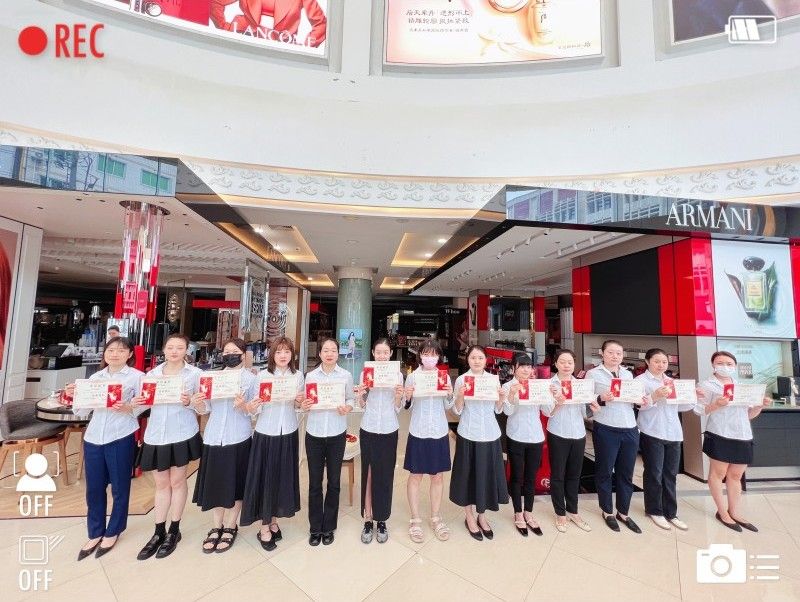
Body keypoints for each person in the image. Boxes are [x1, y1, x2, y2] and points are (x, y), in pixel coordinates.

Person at [62, 336, 144, 560]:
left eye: (121, 350)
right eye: (111, 350)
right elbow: (81, 411)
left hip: (121, 435)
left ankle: (114, 530)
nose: (115, 354)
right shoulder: (94, 378)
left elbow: (144, 403)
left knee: (120, 486)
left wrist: (129, 407)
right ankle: (95, 531)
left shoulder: (137, 377)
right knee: (94, 488)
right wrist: (74, 395)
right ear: (105, 354)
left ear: (130, 354)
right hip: (94, 436)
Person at [136, 334, 204, 560]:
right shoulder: (151, 375)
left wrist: (190, 401)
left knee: (177, 481)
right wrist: (133, 404)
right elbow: (142, 406)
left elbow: (203, 406)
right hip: (156, 435)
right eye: (171, 347)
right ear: (164, 350)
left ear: (186, 350)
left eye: (180, 347)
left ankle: (174, 529)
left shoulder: (194, 374)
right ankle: (158, 531)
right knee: (161, 484)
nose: (174, 351)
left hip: (182, 433)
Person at [192, 338, 257, 553]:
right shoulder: (212, 378)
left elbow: (255, 410)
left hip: (239, 436)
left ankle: (230, 524)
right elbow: (205, 409)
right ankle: (216, 525)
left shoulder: (251, 379)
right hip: (213, 436)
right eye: (226, 351)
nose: (230, 355)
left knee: (236, 482)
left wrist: (244, 405)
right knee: (216, 482)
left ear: (243, 355)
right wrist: (198, 403)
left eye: (234, 351)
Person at [240, 336, 305, 551]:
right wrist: (253, 406)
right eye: (278, 352)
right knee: (265, 479)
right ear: (272, 355)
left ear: (292, 355)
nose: (283, 355)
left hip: (288, 431)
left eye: (287, 351)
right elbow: (255, 408)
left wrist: (299, 402)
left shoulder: (297, 376)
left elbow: (297, 405)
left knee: (280, 478)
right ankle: (264, 526)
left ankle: (274, 519)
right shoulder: (262, 376)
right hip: (266, 432)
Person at [696, 350, 771, 532]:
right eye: (720, 363)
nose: (725, 366)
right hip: (720, 433)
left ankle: (734, 511)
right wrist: (716, 404)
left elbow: (749, 414)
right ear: (713, 365)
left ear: (735, 366)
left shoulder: (742, 387)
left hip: (743, 435)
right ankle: (722, 513)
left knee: (736, 475)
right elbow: (699, 410)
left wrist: (760, 405)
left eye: (729, 364)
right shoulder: (706, 385)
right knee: (718, 474)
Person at [586, 340, 646, 534]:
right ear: (602, 353)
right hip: (606, 427)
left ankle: (623, 512)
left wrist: (640, 400)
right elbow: (586, 399)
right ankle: (607, 511)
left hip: (629, 428)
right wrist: (601, 398)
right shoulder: (593, 374)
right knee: (604, 470)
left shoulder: (628, 374)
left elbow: (635, 400)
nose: (615, 356)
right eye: (611, 352)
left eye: (618, 353)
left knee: (626, 472)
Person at [450, 345, 509, 541]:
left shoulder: (493, 379)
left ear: (486, 360)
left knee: (486, 476)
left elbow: (498, 410)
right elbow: (457, 411)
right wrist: (460, 396)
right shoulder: (462, 380)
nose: (477, 361)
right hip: (468, 433)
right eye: (473, 358)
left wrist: (501, 398)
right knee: (467, 475)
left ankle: (482, 516)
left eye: (480, 358)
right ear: (468, 360)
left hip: (490, 434)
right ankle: (469, 516)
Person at [635, 348, 695, 531]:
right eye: (656, 361)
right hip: (651, 431)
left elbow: (683, 407)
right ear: (647, 362)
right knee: (654, 472)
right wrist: (655, 396)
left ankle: (671, 512)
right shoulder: (640, 381)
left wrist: (691, 397)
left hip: (673, 432)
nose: (660, 365)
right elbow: (638, 405)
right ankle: (654, 510)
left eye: (664, 362)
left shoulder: (672, 382)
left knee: (670, 474)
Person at [303, 337, 354, 546]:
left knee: (334, 482)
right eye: (326, 350)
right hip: (314, 434)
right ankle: (315, 527)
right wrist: (304, 404)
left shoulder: (346, 375)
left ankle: (329, 526)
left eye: (333, 350)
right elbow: (305, 401)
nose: (330, 353)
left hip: (336, 433)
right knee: (315, 483)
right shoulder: (311, 376)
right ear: (320, 353)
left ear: (338, 353)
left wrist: (347, 407)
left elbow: (350, 398)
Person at [403, 339, 454, 543]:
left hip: (439, 431)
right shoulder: (413, 377)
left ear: (439, 356)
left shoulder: (444, 377)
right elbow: (407, 405)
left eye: (434, 354)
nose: (430, 357)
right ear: (420, 356)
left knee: (437, 476)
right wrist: (408, 397)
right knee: (415, 476)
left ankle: (435, 517)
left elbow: (448, 406)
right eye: (426, 353)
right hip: (419, 431)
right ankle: (415, 519)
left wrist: (449, 394)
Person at [355, 338, 404, 544]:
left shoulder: (398, 375)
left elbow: (398, 408)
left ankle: (381, 518)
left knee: (385, 475)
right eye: (378, 352)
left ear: (390, 354)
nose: (382, 356)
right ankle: (368, 518)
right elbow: (362, 404)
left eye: (385, 352)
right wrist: (360, 394)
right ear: (373, 354)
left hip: (389, 428)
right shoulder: (365, 373)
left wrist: (399, 395)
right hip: (368, 428)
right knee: (368, 473)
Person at [544, 349, 598, 533]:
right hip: (558, 433)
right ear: (555, 364)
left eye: (570, 362)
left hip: (578, 434)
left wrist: (593, 408)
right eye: (562, 362)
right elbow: (546, 412)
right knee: (558, 475)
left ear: (574, 365)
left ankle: (573, 511)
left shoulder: (581, 386)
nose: (566, 366)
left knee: (575, 475)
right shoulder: (550, 385)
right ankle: (560, 513)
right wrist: (557, 402)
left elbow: (586, 413)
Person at [502, 353, 544, 537]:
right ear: (514, 368)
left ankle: (529, 512)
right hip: (516, 436)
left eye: (529, 366)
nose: (526, 370)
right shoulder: (507, 386)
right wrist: (512, 394)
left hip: (535, 436)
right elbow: (507, 411)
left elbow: (547, 411)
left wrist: (553, 397)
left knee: (531, 477)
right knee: (517, 476)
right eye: (522, 366)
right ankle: (518, 513)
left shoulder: (537, 386)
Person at [210, 0, 328, 47]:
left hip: (281, 50)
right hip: (242, 39)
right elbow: (215, 2)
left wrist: (305, 47)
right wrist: (224, 28)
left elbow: (321, 24)